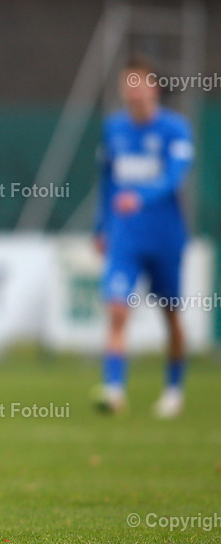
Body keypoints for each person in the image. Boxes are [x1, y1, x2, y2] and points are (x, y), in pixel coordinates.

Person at [93, 55, 193, 418]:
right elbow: (106, 182)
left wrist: (141, 196)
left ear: (153, 87)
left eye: (137, 82)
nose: (130, 90)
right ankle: (113, 389)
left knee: (171, 316)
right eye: (125, 83)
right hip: (125, 238)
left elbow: (175, 177)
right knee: (117, 309)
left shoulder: (175, 129)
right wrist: (99, 226)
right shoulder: (113, 129)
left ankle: (173, 390)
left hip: (166, 237)